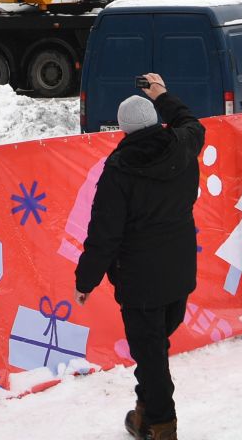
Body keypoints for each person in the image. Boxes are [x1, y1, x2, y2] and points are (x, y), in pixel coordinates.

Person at [75, 73, 205, 440]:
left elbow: (104, 235)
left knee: (150, 353)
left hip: (139, 281)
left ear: (125, 130)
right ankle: (146, 410)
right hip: (179, 270)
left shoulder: (118, 171)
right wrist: (162, 94)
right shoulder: (182, 144)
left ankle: (162, 425)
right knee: (154, 349)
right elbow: (190, 122)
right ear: (155, 120)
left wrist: (86, 280)